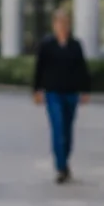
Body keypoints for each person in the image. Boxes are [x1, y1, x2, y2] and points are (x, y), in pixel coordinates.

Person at [33, 9, 91, 183]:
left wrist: (85, 90)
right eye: (59, 22)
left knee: (67, 130)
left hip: (71, 93)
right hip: (53, 93)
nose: (62, 26)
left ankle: (65, 161)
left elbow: (82, 68)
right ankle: (60, 167)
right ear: (54, 25)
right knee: (58, 128)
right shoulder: (47, 44)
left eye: (65, 23)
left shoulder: (75, 45)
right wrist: (36, 90)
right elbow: (39, 67)